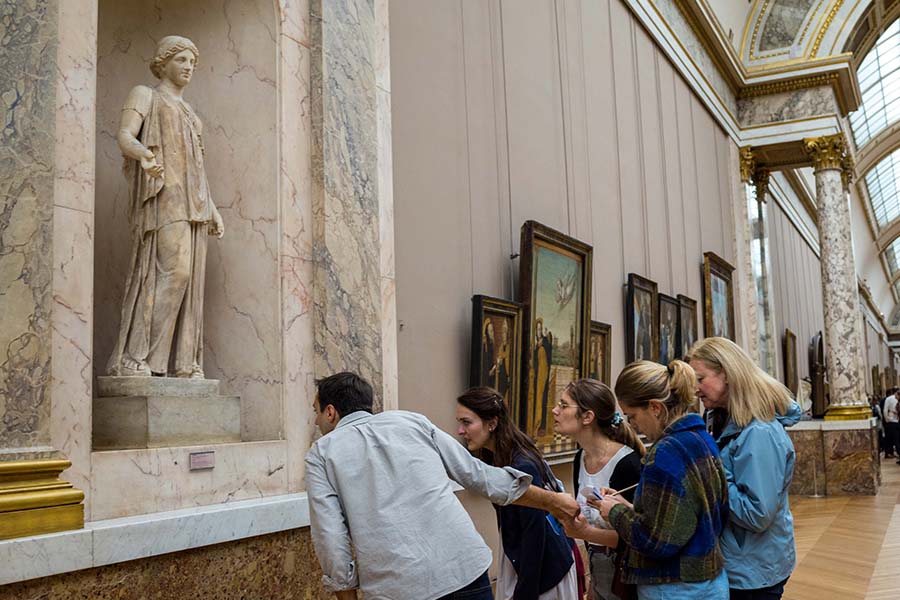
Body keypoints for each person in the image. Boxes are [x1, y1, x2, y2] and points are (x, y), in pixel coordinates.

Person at [306, 372, 580, 600]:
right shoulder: (410, 421)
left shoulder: (322, 453)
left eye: (316, 412)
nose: (317, 421)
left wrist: (346, 593)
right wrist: (552, 501)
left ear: (331, 412)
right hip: (463, 570)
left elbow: (330, 537)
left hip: (397, 588)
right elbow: (477, 474)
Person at [107, 35, 225, 378]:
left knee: (189, 284)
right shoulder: (145, 95)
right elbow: (125, 136)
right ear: (163, 62)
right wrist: (144, 154)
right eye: (181, 60)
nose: (188, 67)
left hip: (196, 206)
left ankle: (182, 364)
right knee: (174, 273)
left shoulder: (192, 115)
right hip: (164, 200)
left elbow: (198, 170)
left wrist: (214, 210)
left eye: (192, 62)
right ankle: (135, 354)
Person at [596, 360, 729, 600]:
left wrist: (615, 512)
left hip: (674, 586)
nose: (631, 425)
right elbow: (699, 513)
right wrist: (629, 508)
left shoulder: (665, 453)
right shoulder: (701, 439)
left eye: (632, 415)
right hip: (709, 581)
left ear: (655, 407)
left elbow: (656, 541)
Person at [689, 337, 800, 599]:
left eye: (700, 378)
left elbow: (757, 514)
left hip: (753, 571)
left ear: (726, 374)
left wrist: (710, 471)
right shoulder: (720, 418)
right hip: (740, 561)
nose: (695, 389)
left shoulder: (759, 432)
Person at [456, 387, 578, 600]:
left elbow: (535, 532)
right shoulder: (497, 456)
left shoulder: (522, 464)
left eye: (466, 422)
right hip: (520, 558)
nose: (460, 430)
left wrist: (525, 591)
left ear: (492, 423)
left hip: (543, 572)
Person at [552, 379, 644, 600]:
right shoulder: (580, 458)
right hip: (598, 567)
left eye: (564, 405)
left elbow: (637, 536)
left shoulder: (627, 464)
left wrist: (585, 533)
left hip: (625, 574)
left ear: (587, 417)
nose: (555, 410)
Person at [884, 388, 899, 460]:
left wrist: (887, 419)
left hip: (892, 421)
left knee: (893, 439)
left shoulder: (888, 399)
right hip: (896, 421)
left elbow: (885, 410)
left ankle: (891, 452)